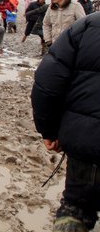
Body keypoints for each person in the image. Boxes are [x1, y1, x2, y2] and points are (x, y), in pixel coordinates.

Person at [30, 12, 100, 231]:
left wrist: (49, 131)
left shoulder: (88, 25)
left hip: (88, 143)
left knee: (76, 209)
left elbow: (47, 84)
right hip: (88, 142)